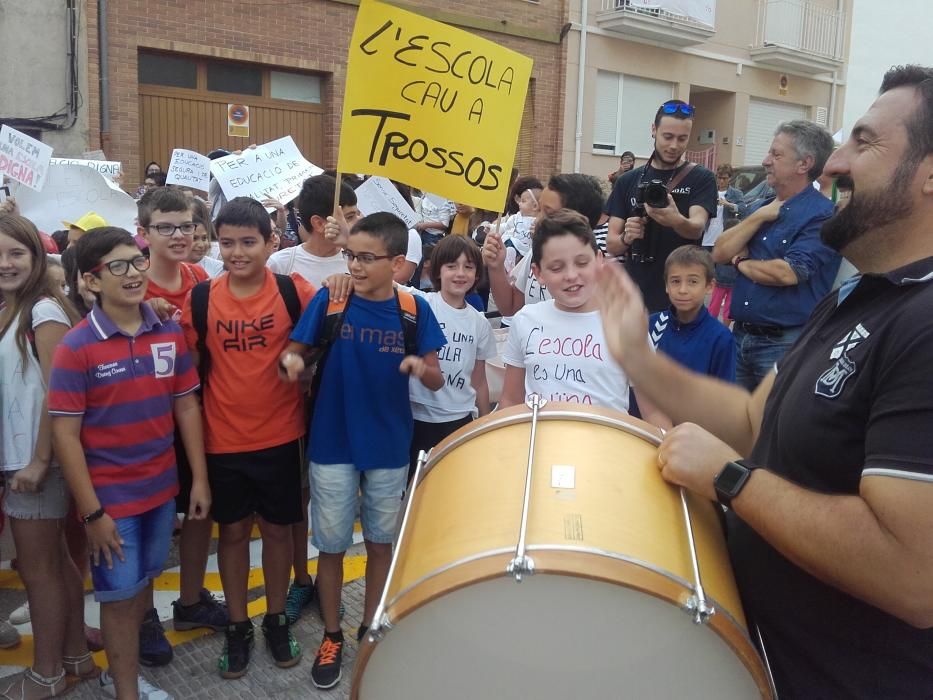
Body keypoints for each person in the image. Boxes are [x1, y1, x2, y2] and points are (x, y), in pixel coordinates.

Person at [595, 64, 933, 699]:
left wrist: (730, 480)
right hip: (767, 662)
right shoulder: (853, 299)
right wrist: (640, 361)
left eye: (864, 142)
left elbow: (915, 575)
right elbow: (753, 421)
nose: (833, 162)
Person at [281, 212, 446, 690]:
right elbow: (295, 352)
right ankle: (332, 635)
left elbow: (436, 377)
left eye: (365, 258)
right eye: (350, 255)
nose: (353, 265)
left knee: (379, 544)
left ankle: (371, 627)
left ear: (397, 263)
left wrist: (420, 368)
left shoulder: (414, 310)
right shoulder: (331, 301)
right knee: (330, 547)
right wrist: (291, 363)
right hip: (332, 442)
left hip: (390, 446)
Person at [49, 226, 209, 700]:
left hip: (161, 491)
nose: (135, 272)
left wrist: (197, 480)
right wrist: (93, 513)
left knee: (141, 586)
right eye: (117, 266)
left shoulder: (167, 331)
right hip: (110, 500)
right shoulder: (76, 347)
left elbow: (185, 405)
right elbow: (65, 433)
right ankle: (125, 692)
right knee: (118, 601)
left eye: (137, 261)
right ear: (91, 282)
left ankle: (120, 674)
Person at [179, 197, 316, 681]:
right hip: (222, 439)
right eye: (228, 242)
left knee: (278, 531)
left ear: (271, 242)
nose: (237, 252)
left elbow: (326, 322)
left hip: (281, 436)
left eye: (248, 242)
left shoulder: (292, 288)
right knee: (233, 533)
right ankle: (239, 625)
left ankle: (275, 619)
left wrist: (301, 354)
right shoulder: (202, 299)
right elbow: (189, 373)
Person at [0, 214, 94, 699]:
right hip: (22, 458)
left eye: (16, 253)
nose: (5, 263)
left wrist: (38, 461)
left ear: (37, 258)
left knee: (39, 574)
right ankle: (75, 655)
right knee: (55, 564)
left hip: (36, 463)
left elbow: (60, 394)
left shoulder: (43, 312)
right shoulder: (14, 307)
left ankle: (47, 674)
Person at [137, 187, 225, 667]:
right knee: (151, 520)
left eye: (186, 226)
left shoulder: (201, 279)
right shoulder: (127, 287)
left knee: (198, 511)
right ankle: (145, 616)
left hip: (196, 413)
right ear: (144, 232)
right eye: (165, 227)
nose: (178, 235)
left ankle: (190, 601)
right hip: (146, 423)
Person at [497, 210, 666, 427]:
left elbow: (654, 413)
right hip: (538, 451)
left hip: (605, 453)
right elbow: (511, 400)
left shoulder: (625, 324)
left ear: (599, 260)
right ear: (538, 273)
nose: (571, 275)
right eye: (557, 267)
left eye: (582, 262)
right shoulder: (525, 320)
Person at [712, 121, 841, 390]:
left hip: (784, 344)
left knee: (772, 427)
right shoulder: (760, 207)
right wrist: (759, 215)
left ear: (804, 164)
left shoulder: (823, 215)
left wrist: (741, 261)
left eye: (776, 154)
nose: (765, 161)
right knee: (735, 426)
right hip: (740, 337)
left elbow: (788, 272)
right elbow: (719, 251)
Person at [605, 100, 717, 312]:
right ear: (654, 130)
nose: (674, 146)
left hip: (681, 298)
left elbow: (697, 226)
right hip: (635, 297)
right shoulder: (628, 181)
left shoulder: (701, 178)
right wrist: (627, 237)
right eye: (668, 137)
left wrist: (676, 220)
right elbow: (611, 245)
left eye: (682, 138)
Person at [405, 235, 495, 480]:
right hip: (416, 415)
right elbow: (385, 283)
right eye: (451, 266)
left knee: (450, 484)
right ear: (437, 270)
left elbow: (479, 381)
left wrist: (485, 423)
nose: (460, 273)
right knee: (413, 486)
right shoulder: (420, 302)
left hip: (458, 418)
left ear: (477, 274)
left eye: (468, 266)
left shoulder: (479, 323)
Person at [483, 173, 605, 320]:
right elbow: (510, 306)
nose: (537, 219)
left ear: (576, 217)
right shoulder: (537, 252)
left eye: (547, 212)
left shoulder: (593, 275)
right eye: (539, 209)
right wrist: (496, 266)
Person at [649, 245, 735, 381]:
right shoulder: (651, 325)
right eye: (676, 281)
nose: (683, 290)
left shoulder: (721, 338)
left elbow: (723, 395)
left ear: (709, 286)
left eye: (693, 282)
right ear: (666, 285)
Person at [267, 174, 361, 287]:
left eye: (358, 214)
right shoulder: (280, 264)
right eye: (350, 217)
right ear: (319, 223)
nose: (359, 221)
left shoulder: (361, 263)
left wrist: (347, 246)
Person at [189, 198, 224, 278]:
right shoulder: (168, 266)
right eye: (194, 238)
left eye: (204, 238)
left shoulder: (218, 268)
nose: (201, 245)